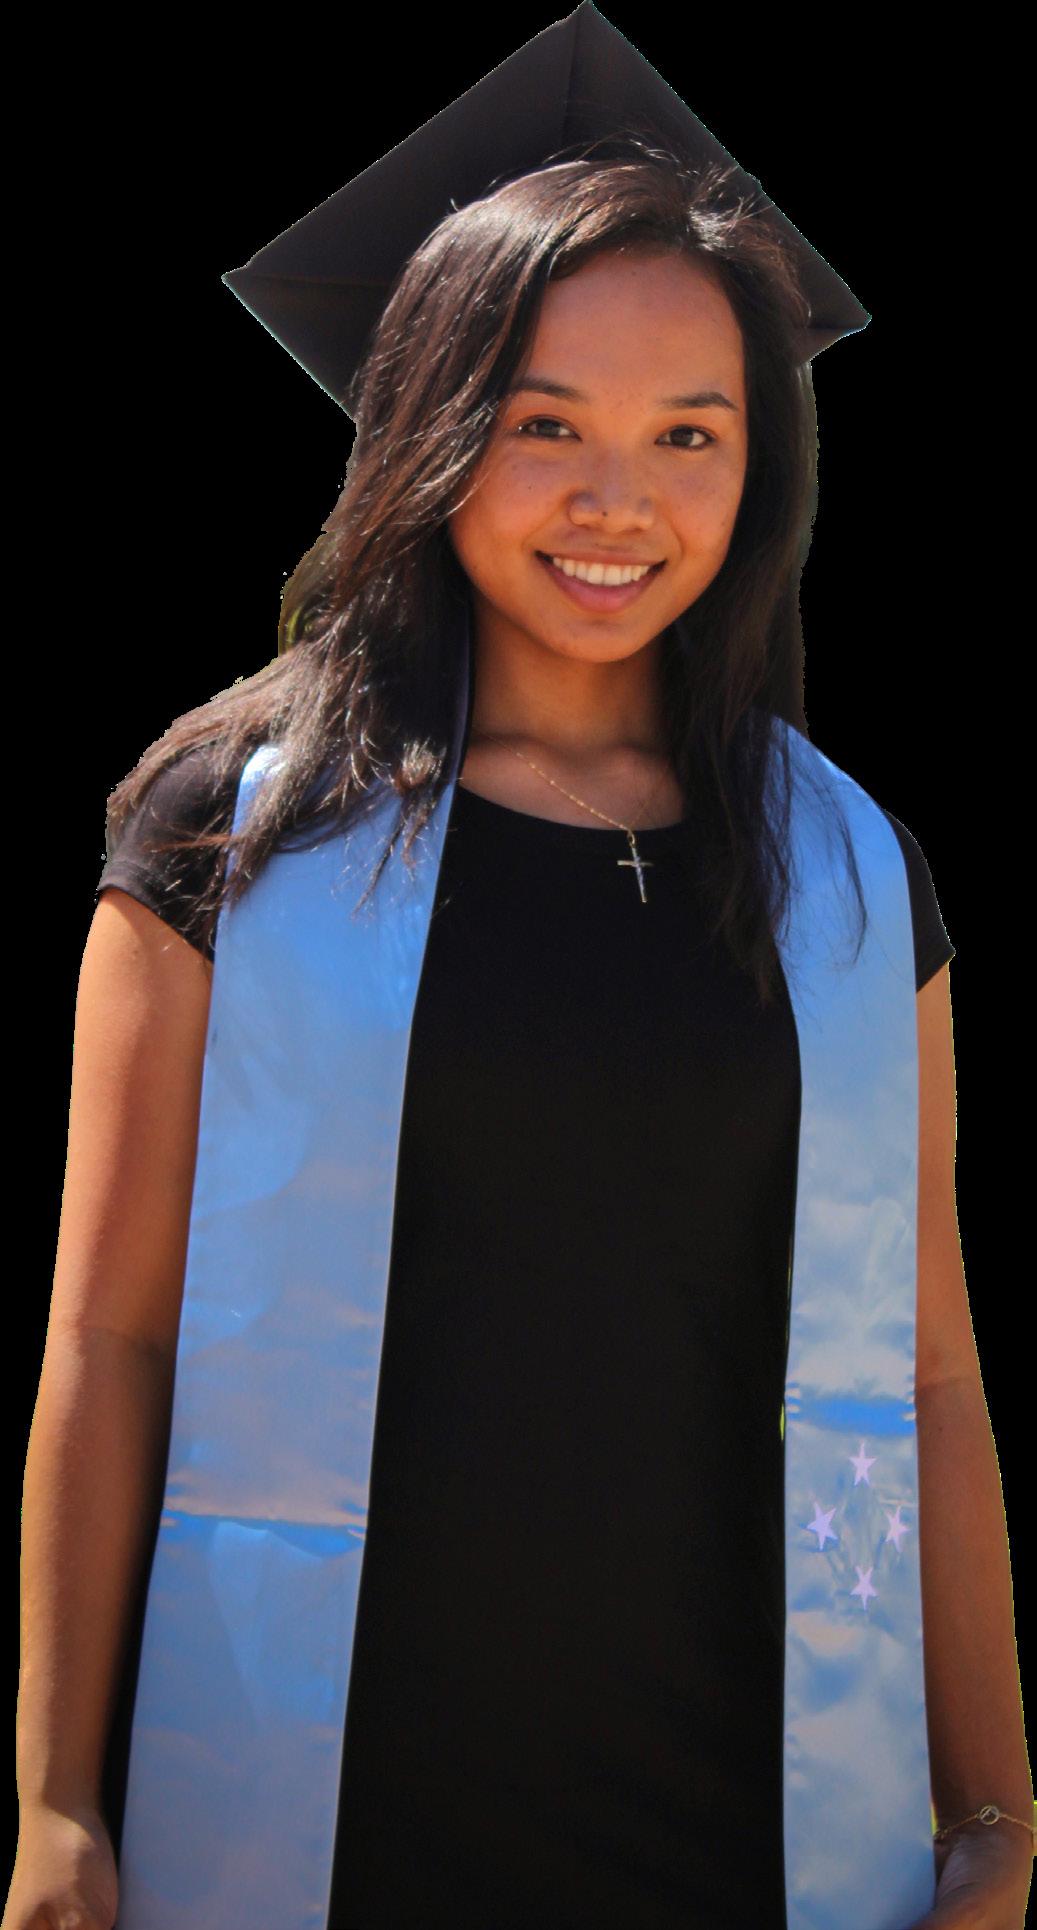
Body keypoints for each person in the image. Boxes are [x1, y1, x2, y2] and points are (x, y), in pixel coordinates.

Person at [7, 19, 1033, 1930]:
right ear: (427, 421)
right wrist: (58, 1800)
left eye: (688, 434)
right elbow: (109, 1335)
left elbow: (927, 1368)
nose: (614, 499)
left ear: (761, 466)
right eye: (544, 422)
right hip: (317, 1811)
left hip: (750, 1820)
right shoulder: (234, 833)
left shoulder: (844, 874)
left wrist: (993, 1808)